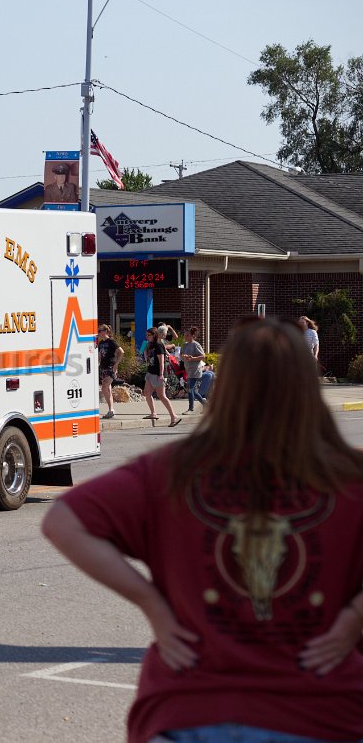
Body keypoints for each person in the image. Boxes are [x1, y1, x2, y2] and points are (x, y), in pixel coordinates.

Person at [42, 317, 363, 743]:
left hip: (188, 712)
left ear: (226, 388)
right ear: (307, 388)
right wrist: (354, 617)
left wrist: (153, 605)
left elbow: (63, 521)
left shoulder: (173, 471)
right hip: (323, 714)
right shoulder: (349, 478)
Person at [143, 326, 180, 427]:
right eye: (146, 335)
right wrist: (145, 350)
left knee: (161, 396)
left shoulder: (159, 345)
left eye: (149, 335)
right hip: (150, 372)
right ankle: (153, 413)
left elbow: (161, 362)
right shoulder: (149, 345)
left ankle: (173, 416)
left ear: (154, 335)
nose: (147, 337)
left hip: (158, 374)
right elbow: (144, 355)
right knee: (147, 393)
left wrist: (161, 374)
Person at [97, 325, 124, 419]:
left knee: (104, 387)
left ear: (105, 331)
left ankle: (111, 410)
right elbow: (99, 355)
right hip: (103, 367)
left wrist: (116, 364)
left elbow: (121, 352)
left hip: (110, 367)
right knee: (108, 389)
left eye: (100, 331)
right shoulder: (101, 343)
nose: (98, 333)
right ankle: (111, 410)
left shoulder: (111, 341)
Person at [180, 326, 207, 415]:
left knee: (190, 389)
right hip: (188, 369)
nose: (185, 337)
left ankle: (191, 409)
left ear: (192, 336)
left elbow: (203, 356)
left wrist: (193, 358)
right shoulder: (185, 345)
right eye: (185, 335)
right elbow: (181, 355)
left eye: (187, 335)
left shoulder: (196, 344)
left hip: (195, 370)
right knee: (193, 390)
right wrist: (183, 356)